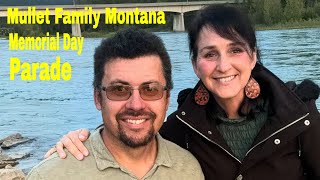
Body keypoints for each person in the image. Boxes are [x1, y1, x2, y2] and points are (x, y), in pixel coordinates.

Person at [45, 4, 320, 180]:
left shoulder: (297, 114)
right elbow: (135, 124)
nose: (224, 65)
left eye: (235, 50)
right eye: (210, 53)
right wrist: (82, 139)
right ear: (195, 64)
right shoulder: (184, 126)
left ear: (252, 57)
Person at [27, 29, 204, 180]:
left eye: (150, 89)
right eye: (119, 90)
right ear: (98, 98)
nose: (136, 105)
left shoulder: (188, 170)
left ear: (167, 99)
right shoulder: (51, 175)